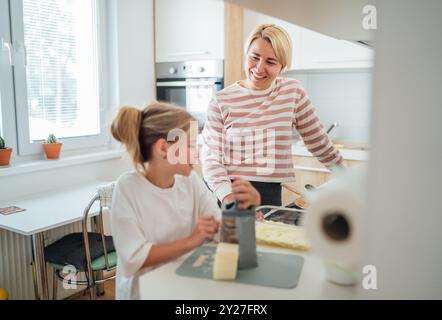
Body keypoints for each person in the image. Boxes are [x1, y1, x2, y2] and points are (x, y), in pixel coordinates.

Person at [110, 102, 260, 299]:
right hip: (146, 292)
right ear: (164, 148)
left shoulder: (191, 181)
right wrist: (192, 241)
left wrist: (244, 208)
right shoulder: (128, 188)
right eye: (191, 145)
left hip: (185, 284)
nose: (197, 153)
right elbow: (133, 259)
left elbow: (223, 231)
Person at [201, 24, 344, 208]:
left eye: (270, 62)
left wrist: (346, 176)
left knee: (269, 236)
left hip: (270, 193)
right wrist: (229, 199)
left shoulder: (292, 92)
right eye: (254, 57)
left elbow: (318, 141)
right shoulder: (221, 100)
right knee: (235, 238)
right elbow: (211, 157)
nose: (259, 68)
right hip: (229, 190)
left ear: (282, 66)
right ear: (246, 55)